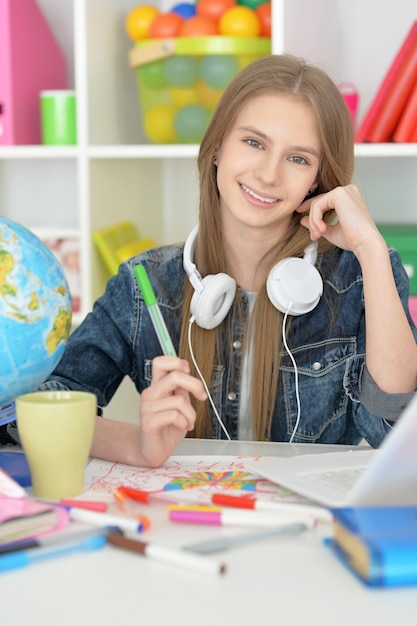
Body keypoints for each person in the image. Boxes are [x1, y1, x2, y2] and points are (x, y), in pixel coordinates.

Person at [13, 54, 417, 466]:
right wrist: (136, 445)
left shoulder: (362, 278)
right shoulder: (146, 286)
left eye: (298, 158)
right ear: (218, 147)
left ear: (317, 179)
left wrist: (370, 248)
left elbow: (398, 433)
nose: (268, 175)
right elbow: (30, 411)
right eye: (254, 143)